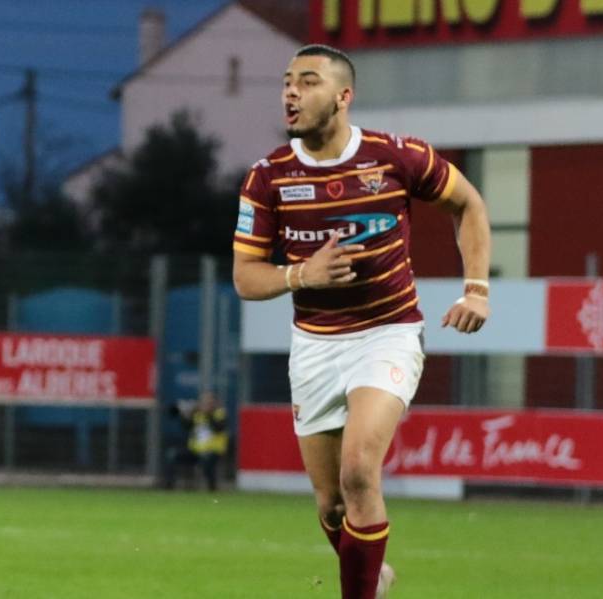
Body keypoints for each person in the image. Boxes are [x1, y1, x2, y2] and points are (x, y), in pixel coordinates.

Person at [233, 45, 491, 599]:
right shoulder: (267, 178)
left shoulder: (395, 157)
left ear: (343, 96)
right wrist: (302, 274)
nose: (291, 92)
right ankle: (377, 576)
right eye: (287, 82)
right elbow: (245, 278)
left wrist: (477, 289)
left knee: (357, 471)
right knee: (331, 505)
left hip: (387, 333)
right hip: (315, 344)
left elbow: (468, 203)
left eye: (308, 82)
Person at [165, 392, 228, 492]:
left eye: (208, 402)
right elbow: (186, 427)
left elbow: (218, 428)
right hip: (195, 450)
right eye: (204, 402)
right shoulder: (197, 414)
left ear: (214, 403)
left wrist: (208, 414)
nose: (205, 404)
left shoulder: (220, 413)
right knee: (171, 455)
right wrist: (185, 415)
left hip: (213, 450)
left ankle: (212, 489)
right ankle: (169, 488)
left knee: (207, 461)